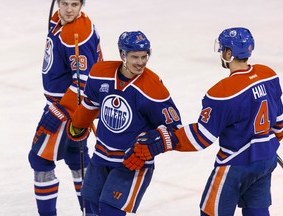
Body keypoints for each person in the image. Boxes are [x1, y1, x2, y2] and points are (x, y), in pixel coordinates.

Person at [124, 27, 283, 216]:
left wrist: (165, 140)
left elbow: (202, 137)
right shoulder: (268, 75)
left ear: (229, 53)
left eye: (223, 49)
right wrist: (265, 148)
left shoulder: (222, 92)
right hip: (266, 159)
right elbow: (279, 124)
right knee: (257, 211)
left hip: (235, 164)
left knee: (210, 213)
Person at [66, 31, 182, 215]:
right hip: (101, 156)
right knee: (90, 206)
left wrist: (151, 147)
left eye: (144, 56)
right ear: (122, 55)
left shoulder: (153, 88)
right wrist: (78, 125)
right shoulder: (100, 73)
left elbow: (174, 129)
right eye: (135, 57)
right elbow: (90, 105)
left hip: (131, 162)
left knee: (110, 210)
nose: (141, 62)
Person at [28, 0, 103, 215]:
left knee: (40, 159)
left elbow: (84, 81)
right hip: (72, 108)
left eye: (74, 4)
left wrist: (63, 111)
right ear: (57, 4)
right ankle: (92, 212)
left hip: (66, 108)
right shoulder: (63, 22)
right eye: (65, 3)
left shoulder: (76, 33)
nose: (69, 9)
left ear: (82, 6)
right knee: (76, 157)